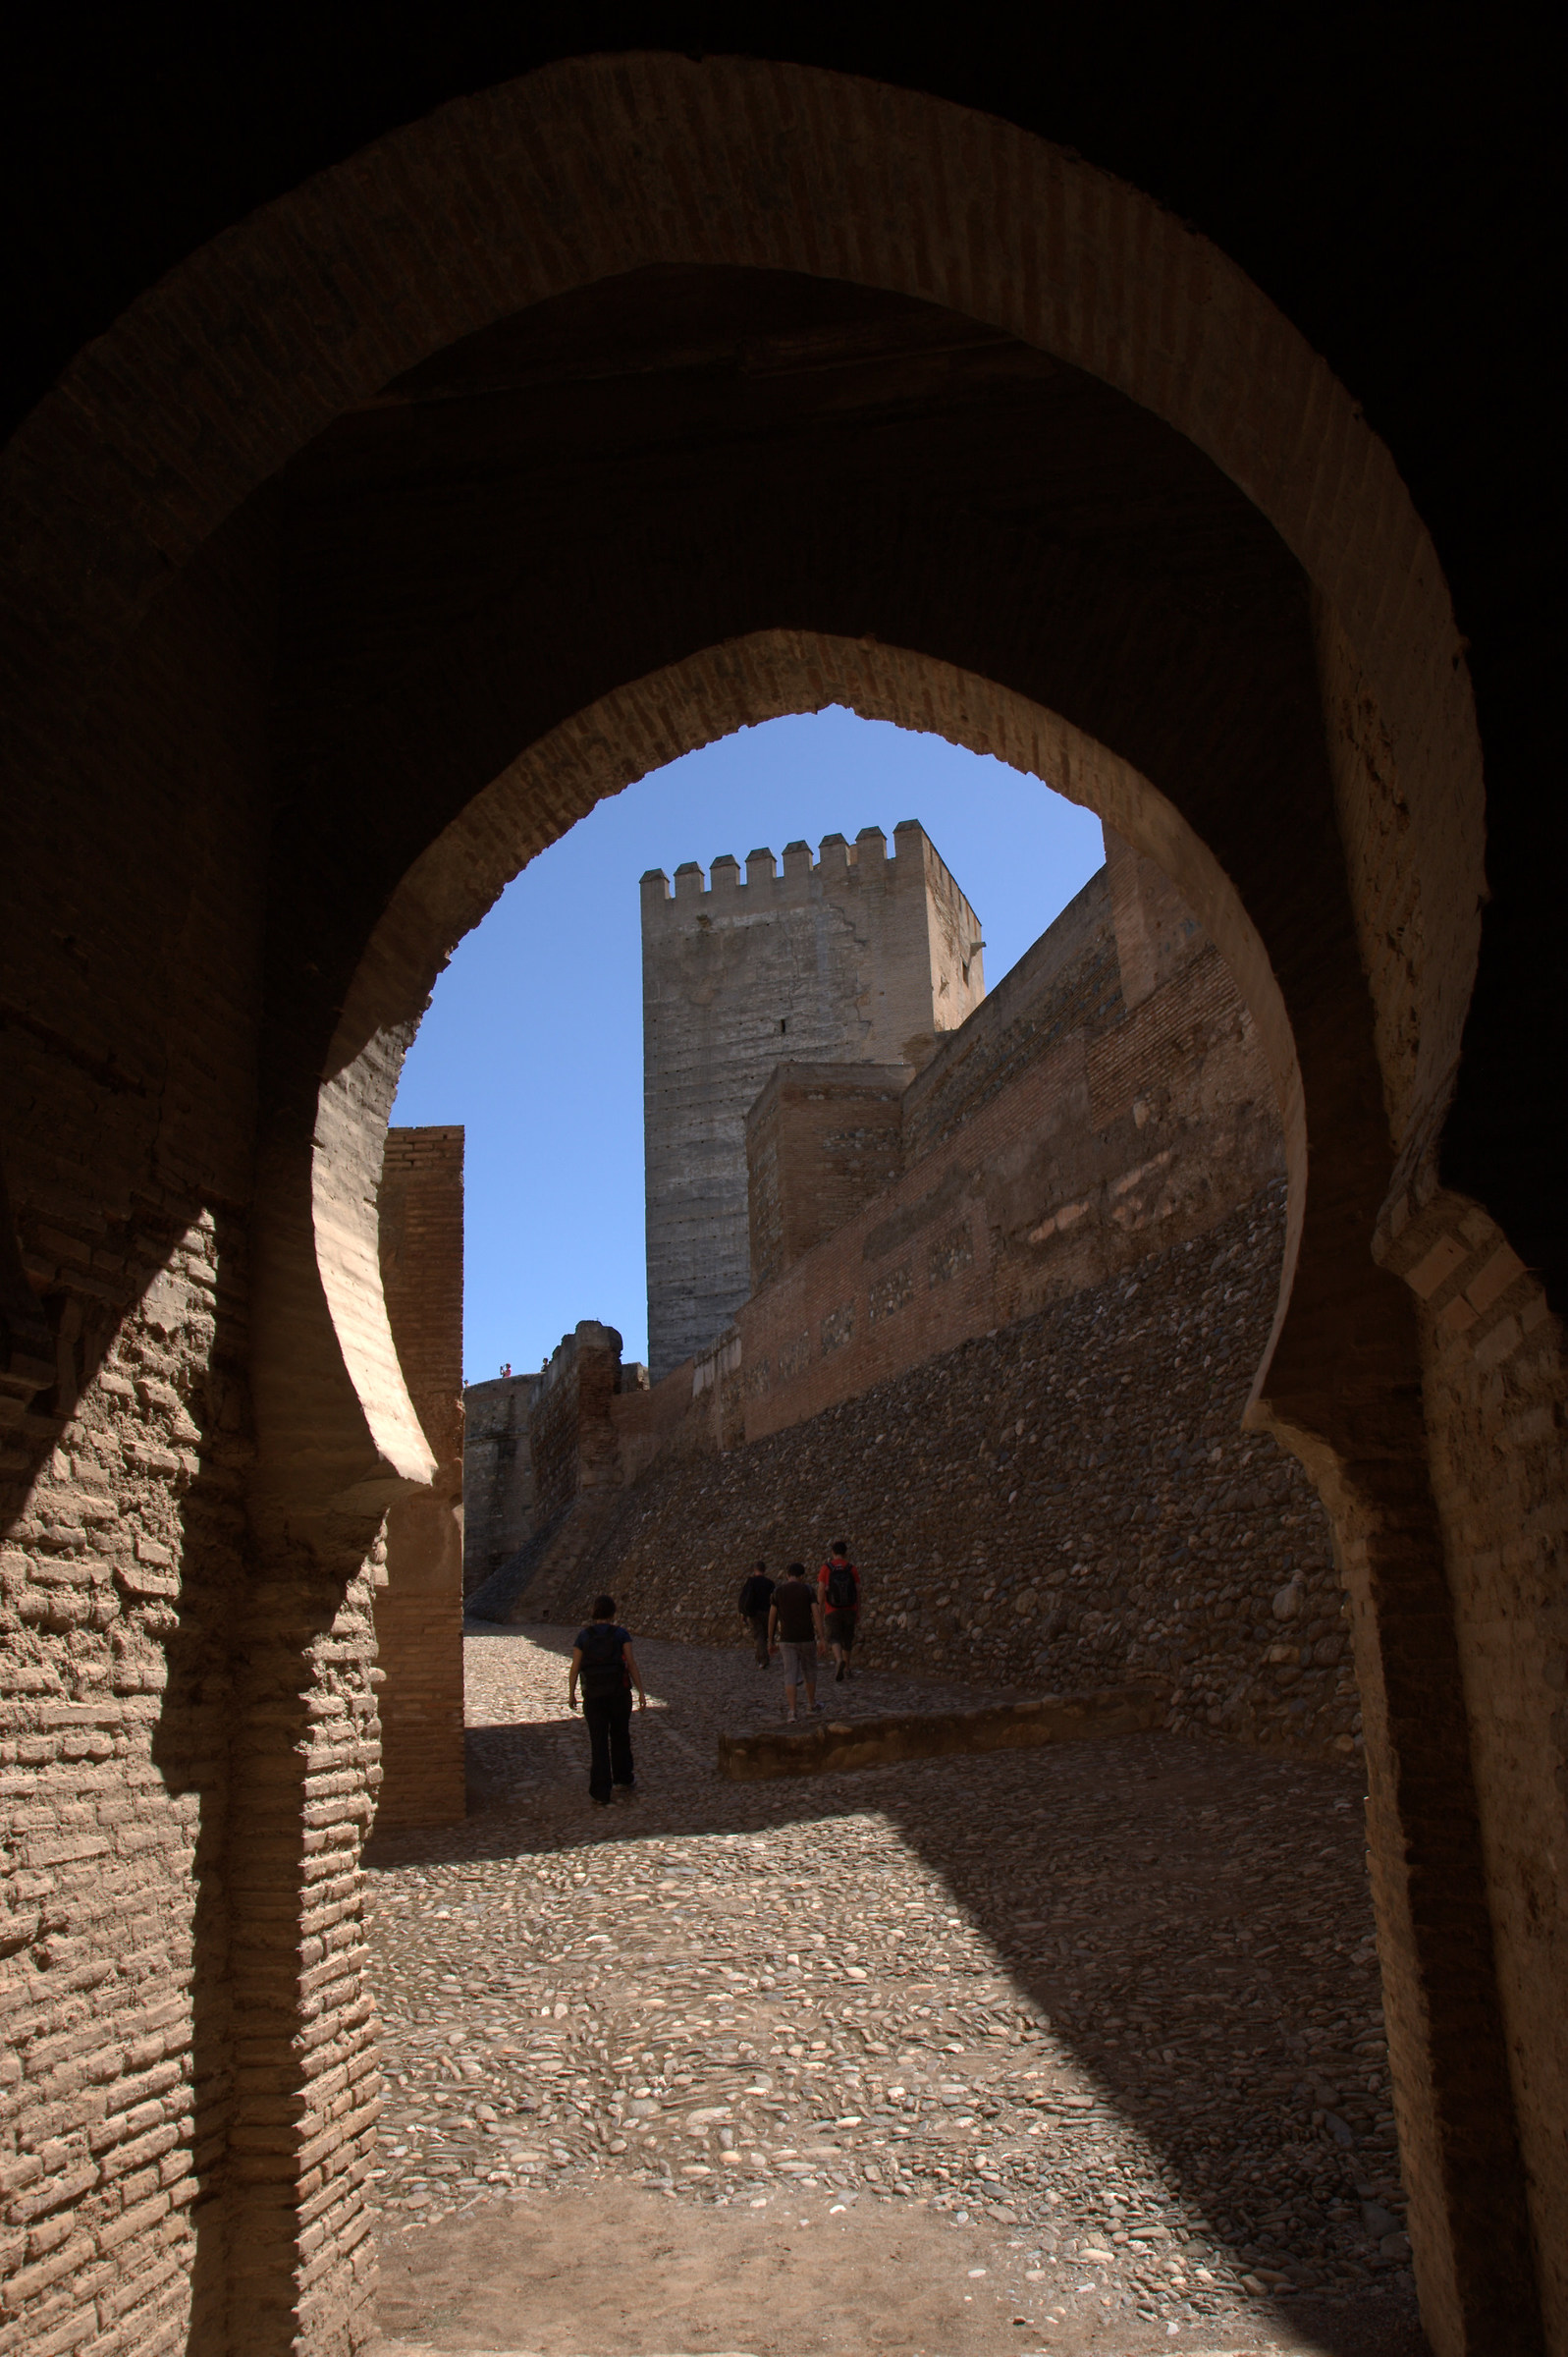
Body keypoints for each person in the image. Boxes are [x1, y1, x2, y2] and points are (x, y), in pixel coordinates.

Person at [568, 1594, 647, 1806]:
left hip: (593, 1695)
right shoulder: (621, 1634)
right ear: (613, 1613)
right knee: (620, 1735)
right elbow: (630, 1663)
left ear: (594, 1613)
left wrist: (571, 1693)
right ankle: (623, 1777)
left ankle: (601, 1790)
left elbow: (575, 1668)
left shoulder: (583, 1637)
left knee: (598, 1740)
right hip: (619, 1693)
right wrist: (640, 1691)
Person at [768, 1562, 826, 1721]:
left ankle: (792, 1711)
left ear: (787, 1575)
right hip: (806, 1637)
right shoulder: (807, 1590)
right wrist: (821, 1638)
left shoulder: (777, 1592)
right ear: (802, 1576)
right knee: (810, 1671)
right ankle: (811, 1704)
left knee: (790, 1674)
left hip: (786, 1639)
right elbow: (816, 1614)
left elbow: (772, 1618)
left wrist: (770, 1641)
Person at [819, 1540, 861, 1682]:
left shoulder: (827, 1568)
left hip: (832, 1608)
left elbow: (821, 1588)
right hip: (850, 1608)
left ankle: (838, 1660)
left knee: (834, 1636)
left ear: (832, 1552)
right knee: (847, 1638)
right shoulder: (851, 1568)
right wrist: (858, 1610)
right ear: (846, 1553)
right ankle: (848, 1667)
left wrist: (820, 1606)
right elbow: (857, 1591)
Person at [737, 1559, 775, 1668]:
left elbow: (745, 1599)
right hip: (768, 1613)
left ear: (755, 1570)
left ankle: (762, 1660)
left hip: (754, 1613)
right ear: (764, 1570)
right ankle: (762, 1657)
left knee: (758, 1636)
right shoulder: (770, 1583)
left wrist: (744, 1613)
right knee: (765, 1635)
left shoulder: (751, 1582)